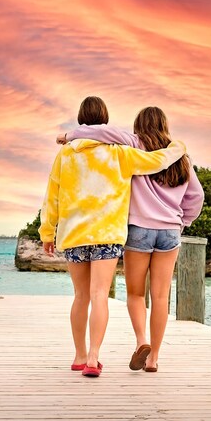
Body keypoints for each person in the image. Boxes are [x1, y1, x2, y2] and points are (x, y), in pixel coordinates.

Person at [39, 97, 188, 378]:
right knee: (99, 296)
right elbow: (158, 161)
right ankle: (94, 357)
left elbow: (52, 196)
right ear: (105, 120)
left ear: (81, 120)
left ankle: (79, 355)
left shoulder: (65, 155)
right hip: (108, 234)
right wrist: (178, 146)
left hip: (74, 234)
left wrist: (48, 231)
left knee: (80, 296)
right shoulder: (120, 153)